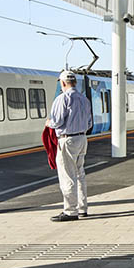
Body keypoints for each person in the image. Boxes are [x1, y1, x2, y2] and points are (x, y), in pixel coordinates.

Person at [47, 70, 93, 221]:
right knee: (80, 174)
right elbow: (89, 123)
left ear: (63, 83)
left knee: (67, 175)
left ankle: (70, 211)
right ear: (75, 82)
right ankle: (82, 208)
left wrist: (48, 123)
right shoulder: (84, 99)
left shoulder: (62, 98)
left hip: (67, 140)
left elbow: (57, 122)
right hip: (82, 139)